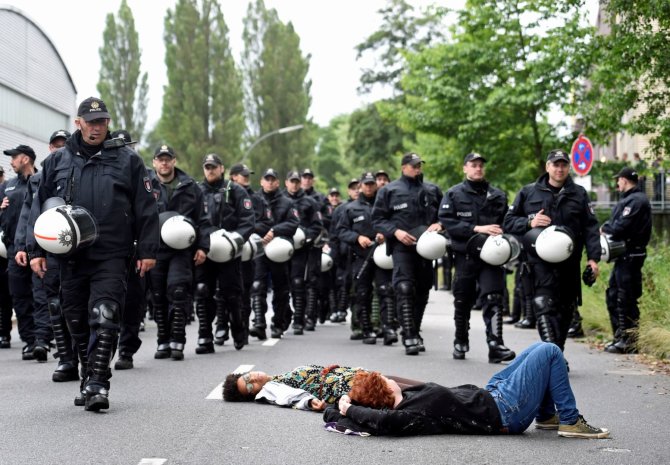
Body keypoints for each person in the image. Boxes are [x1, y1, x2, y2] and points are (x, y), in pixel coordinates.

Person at [28, 97, 159, 411]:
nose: (97, 127)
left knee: (105, 314)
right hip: (69, 256)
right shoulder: (57, 161)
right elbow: (40, 205)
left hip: (112, 253)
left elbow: (146, 206)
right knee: (75, 319)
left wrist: (148, 249)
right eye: (91, 121)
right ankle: (89, 375)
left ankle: (99, 382)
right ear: (78, 123)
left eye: (102, 121)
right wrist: (35, 250)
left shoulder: (128, 160)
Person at [328, 342, 610, 439]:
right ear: (384, 391)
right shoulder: (408, 414)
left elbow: (338, 415)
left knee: (539, 348)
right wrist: (349, 408)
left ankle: (548, 416)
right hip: (505, 412)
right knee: (549, 352)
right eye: (381, 378)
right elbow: (382, 422)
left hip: (493, 394)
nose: (387, 376)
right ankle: (571, 421)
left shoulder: (406, 397)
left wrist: (338, 404)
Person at [504, 149, 601, 355]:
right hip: (539, 263)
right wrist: (530, 222)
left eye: (563, 165)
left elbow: (591, 228)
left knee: (565, 309)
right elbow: (508, 222)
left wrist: (593, 259)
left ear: (568, 167)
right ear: (548, 167)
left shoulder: (579, 194)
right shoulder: (528, 192)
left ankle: (557, 352)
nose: (559, 169)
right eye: (555, 165)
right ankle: (552, 355)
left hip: (569, 262)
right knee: (544, 306)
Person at [14, 130, 80, 380]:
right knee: (54, 301)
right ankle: (65, 358)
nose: (59, 150)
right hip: (50, 247)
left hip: (81, 247)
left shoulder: (84, 170)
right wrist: (29, 249)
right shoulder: (39, 180)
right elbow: (31, 216)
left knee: (80, 303)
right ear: (50, 148)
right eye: (55, 145)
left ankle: (88, 356)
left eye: (64, 145)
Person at [439, 153, 515, 363]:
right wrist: (475, 228)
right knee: (463, 300)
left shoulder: (498, 195)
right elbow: (447, 221)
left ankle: (495, 345)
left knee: (494, 298)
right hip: (465, 255)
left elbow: (506, 222)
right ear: (465, 168)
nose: (478, 168)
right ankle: (460, 339)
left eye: (481, 165)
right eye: (473, 165)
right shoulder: (454, 194)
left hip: (492, 255)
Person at [372, 153, 443, 355]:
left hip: (427, 248)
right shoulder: (389, 190)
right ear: (404, 167)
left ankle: (416, 331)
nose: (417, 168)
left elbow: (445, 215)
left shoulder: (432, 190)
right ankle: (409, 335)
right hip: (402, 247)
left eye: (420, 165)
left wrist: (440, 224)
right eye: (413, 165)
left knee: (422, 290)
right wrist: (395, 231)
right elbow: (377, 219)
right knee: (404, 287)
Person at [149, 145, 210, 361]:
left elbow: (203, 219)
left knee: (178, 291)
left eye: (168, 159)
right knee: (157, 296)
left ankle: (178, 339)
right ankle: (162, 340)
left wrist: (203, 247)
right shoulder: (146, 184)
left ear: (174, 161)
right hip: (155, 249)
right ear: (154, 162)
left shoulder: (190, 186)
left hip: (182, 249)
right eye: (160, 159)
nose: (164, 163)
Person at [194, 154, 254, 354]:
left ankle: (238, 328)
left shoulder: (235, 190)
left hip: (229, 251)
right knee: (203, 291)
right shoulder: (196, 191)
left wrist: (236, 239)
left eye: (214, 167)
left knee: (231, 294)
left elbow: (247, 220)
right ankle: (205, 336)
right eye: (207, 167)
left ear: (222, 168)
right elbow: (189, 219)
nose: (210, 170)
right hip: (206, 249)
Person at [2, 144, 52, 362]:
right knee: (19, 297)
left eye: (14, 157)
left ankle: (42, 339)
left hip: (38, 248)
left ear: (25, 159)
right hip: (14, 249)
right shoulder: (7, 186)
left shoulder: (41, 180)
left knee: (40, 295)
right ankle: (29, 341)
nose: (11, 161)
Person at [336, 172, 396, 345]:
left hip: (382, 255)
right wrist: (357, 238)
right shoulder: (350, 208)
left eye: (372, 184)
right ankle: (366, 329)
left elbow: (395, 224)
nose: (369, 187)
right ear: (360, 186)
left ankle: (388, 328)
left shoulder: (384, 205)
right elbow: (341, 231)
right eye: (366, 184)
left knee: (385, 291)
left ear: (376, 185)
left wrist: (386, 232)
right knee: (363, 293)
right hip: (361, 256)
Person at [601, 167, 652, 354]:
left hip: (632, 254)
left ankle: (629, 341)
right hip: (623, 255)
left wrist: (606, 228)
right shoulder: (630, 199)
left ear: (624, 180)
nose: (617, 184)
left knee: (625, 297)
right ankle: (620, 337)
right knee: (614, 294)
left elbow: (621, 226)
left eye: (618, 180)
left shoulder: (636, 201)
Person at [223, 365, 421, 410]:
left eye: (247, 377)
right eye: (249, 386)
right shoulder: (271, 388)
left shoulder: (276, 377)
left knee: (422, 387)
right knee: (421, 395)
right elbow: (287, 396)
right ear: (254, 395)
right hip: (351, 387)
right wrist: (309, 402)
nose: (253, 379)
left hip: (357, 376)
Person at [249, 168, 299, 339]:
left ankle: (278, 323)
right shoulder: (253, 200)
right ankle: (259, 323)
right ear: (261, 181)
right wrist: (262, 232)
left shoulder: (287, 203)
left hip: (280, 251)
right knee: (258, 286)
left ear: (278, 182)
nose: (269, 182)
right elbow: (247, 221)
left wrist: (275, 231)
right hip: (260, 250)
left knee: (281, 289)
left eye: (273, 179)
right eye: (266, 179)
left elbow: (293, 224)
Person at [228, 162, 256, 343]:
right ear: (233, 177)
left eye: (247, 174)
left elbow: (258, 221)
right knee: (224, 292)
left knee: (245, 290)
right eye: (242, 174)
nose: (246, 177)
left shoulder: (256, 198)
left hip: (248, 249)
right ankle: (221, 327)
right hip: (226, 249)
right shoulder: (224, 195)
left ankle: (243, 328)